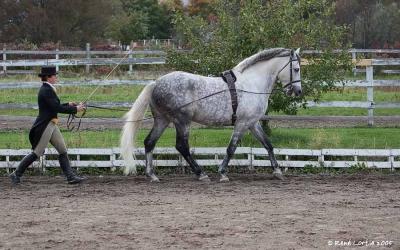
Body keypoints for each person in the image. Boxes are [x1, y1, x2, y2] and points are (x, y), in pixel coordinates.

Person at [10, 66, 87, 185]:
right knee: (37, 152)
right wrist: (76, 109)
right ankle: (16, 174)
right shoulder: (46, 90)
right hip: (46, 125)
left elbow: (54, 105)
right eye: (54, 75)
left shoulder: (48, 89)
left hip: (52, 123)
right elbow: (56, 108)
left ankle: (70, 177)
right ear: (48, 77)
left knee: (62, 150)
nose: (56, 77)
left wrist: (69, 104)